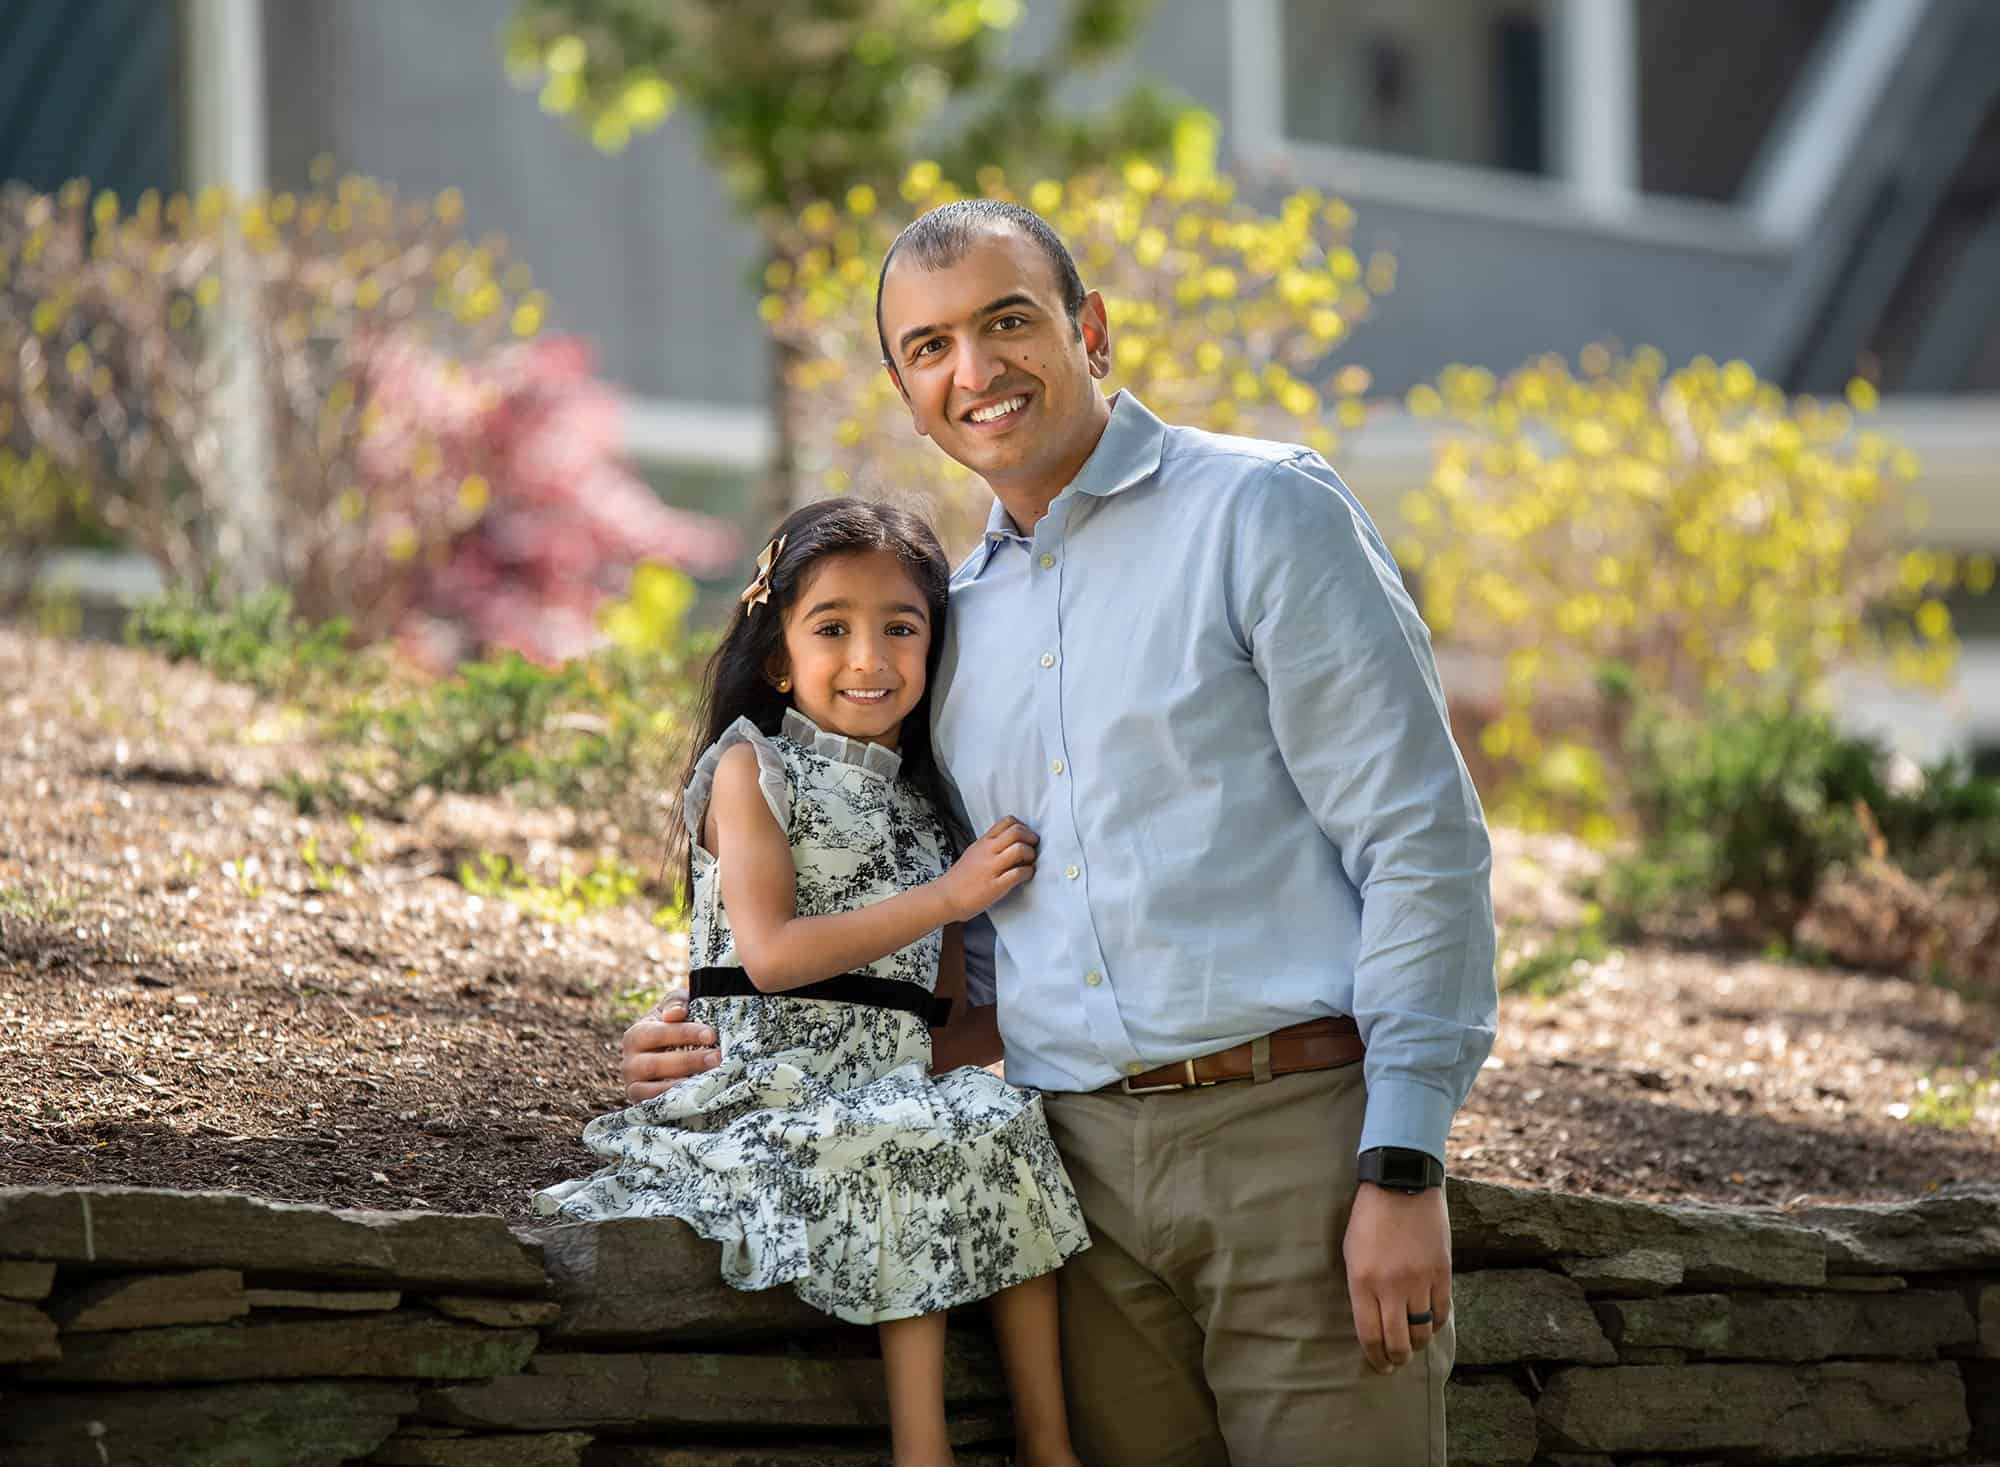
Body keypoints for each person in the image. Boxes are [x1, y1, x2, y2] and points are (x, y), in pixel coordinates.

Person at [620, 200, 1499, 1465]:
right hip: (1072, 1182)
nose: (972, 371)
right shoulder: (945, 625)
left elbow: (1418, 842)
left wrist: (1403, 1162)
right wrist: (721, 1027)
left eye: (1006, 322)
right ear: (905, 389)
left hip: (1291, 1147)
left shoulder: (1258, 513)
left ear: (1087, 330)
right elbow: (933, 916)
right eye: (928, 347)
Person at [534, 498, 1092, 1467]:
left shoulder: (928, 816)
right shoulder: (754, 772)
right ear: (780, 655)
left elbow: (933, 1033)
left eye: (899, 628)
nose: (869, 658)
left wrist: (1034, 1016)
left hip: (887, 1091)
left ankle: (1051, 1445)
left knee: (995, 1118)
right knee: (902, 1131)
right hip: (761, 1098)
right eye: (832, 628)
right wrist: (947, 897)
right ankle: (924, 1450)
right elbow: (772, 954)